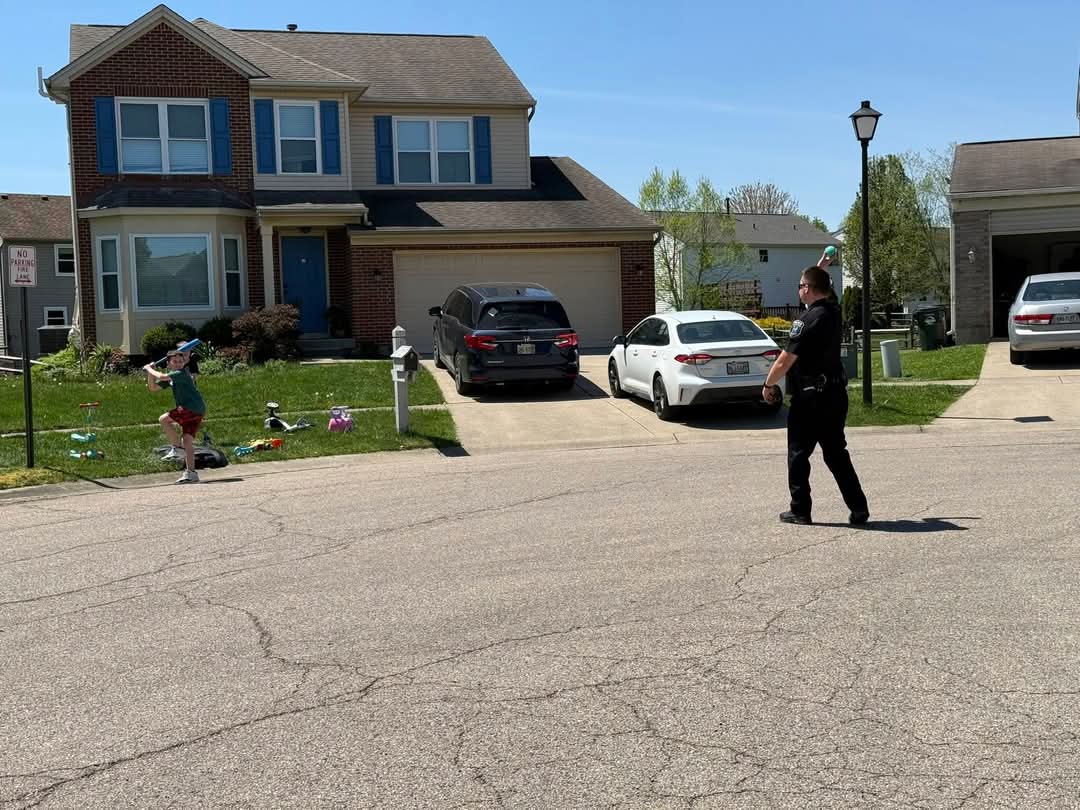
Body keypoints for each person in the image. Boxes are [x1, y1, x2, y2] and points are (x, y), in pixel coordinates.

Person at [761, 250, 869, 525]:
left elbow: (785, 360)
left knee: (798, 455)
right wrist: (822, 267)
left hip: (810, 401)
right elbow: (825, 290)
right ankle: (859, 508)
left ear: (807, 289)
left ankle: (800, 510)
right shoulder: (832, 312)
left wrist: (768, 383)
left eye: (800, 286)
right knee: (836, 454)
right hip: (834, 396)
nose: (798, 289)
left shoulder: (805, 322)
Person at [143, 349, 207, 484]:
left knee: (163, 419)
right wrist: (151, 372)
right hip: (198, 410)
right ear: (169, 364)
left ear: (184, 363)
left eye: (180, 361)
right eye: (175, 361)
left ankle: (177, 449)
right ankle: (191, 473)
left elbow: (162, 377)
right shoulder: (173, 377)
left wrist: (149, 369)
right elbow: (153, 388)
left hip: (191, 408)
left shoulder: (181, 373)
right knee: (187, 441)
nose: (178, 363)